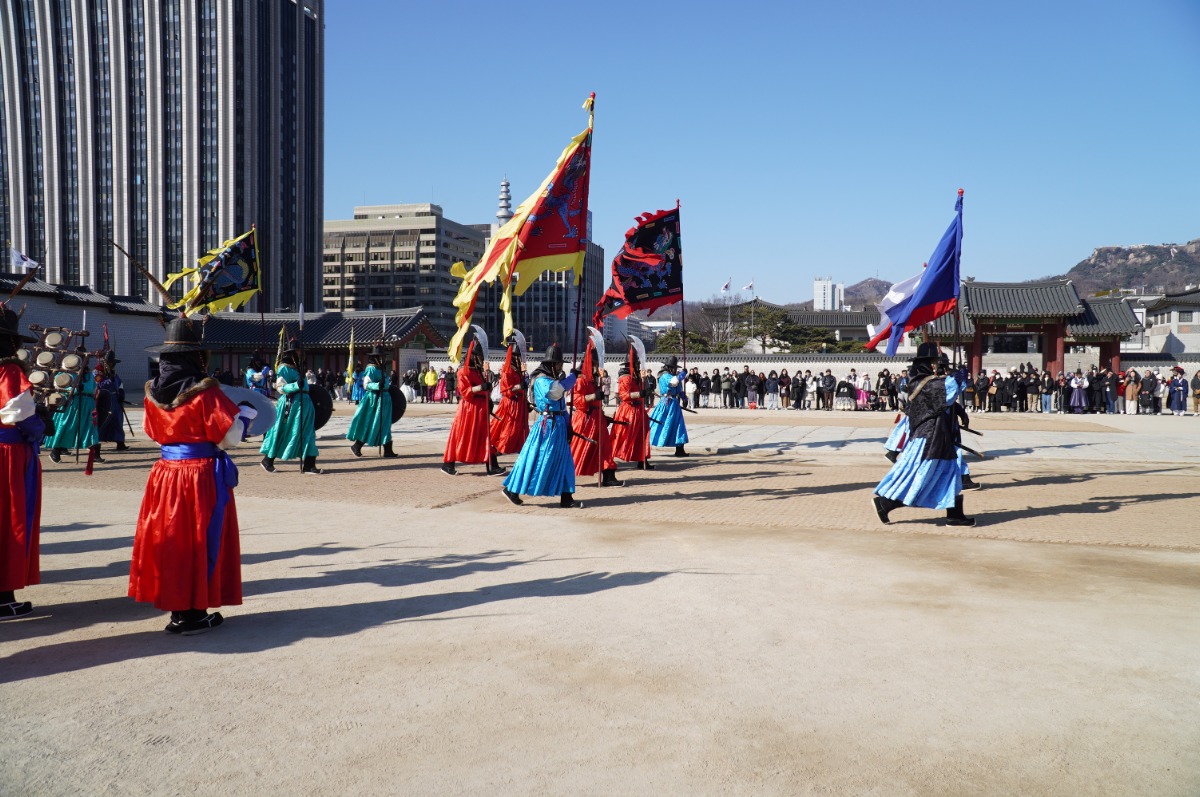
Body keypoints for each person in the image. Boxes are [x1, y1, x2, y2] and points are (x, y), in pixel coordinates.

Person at [130, 317, 252, 634]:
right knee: (201, 538)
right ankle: (195, 613)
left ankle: (178, 611)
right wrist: (245, 419)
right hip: (200, 476)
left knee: (172, 540)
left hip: (166, 474)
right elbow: (229, 436)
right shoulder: (205, 393)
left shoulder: (151, 395)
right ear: (197, 356)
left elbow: (152, 433)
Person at [873, 343, 974, 527]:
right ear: (927, 363)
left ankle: (955, 515)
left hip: (939, 436)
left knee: (949, 472)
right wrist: (960, 374)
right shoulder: (924, 382)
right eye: (934, 361)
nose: (936, 365)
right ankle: (885, 503)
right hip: (930, 438)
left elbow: (947, 397)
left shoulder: (925, 380)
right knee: (922, 476)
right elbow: (948, 391)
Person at [0, 306, 44, 619]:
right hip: (8, 457)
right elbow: (22, 416)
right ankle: (3, 597)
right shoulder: (9, 372)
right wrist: (42, 424)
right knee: (9, 521)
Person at [502, 344, 581, 508]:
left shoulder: (553, 380)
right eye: (559, 364)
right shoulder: (541, 380)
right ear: (552, 364)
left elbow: (562, 406)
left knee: (565, 460)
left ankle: (567, 497)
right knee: (535, 458)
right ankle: (512, 489)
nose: (560, 367)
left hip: (558, 425)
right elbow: (556, 392)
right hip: (547, 427)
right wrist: (572, 378)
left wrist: (568, 425)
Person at [442, 333, 504, 476]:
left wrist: (487, 392)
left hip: (480, 409)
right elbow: (465, 391)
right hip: (468, 409)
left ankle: (492, 466)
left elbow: (483, 388)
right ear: (475, 356)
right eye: (481, 357)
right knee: (460, 435)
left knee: (484, 436)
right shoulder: (463, 370)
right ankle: (448, 463)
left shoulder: (478, 371)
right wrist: (481, 388)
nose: (482, 360)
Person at [260, 342, 323, 474]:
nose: (301, 353)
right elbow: (280, 387)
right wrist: (295, 385)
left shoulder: (298, 367)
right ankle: (267, 460)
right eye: (299, 351)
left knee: (308, 432)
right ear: (293, 352)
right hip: (291, 403)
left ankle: (309, 464)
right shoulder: (284, 368)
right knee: (282, 431)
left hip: (304, 403)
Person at [570, 334, 621, 487]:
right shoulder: (580, 380)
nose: (597, 367)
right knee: (578, 450)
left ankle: (608, 476)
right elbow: (576, 400)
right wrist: (593, 396)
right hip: (585, 419)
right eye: (595, 364)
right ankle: (562, 473)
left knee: (605, 448)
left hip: (597, 418)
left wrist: (603, 416)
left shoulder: (594, 380)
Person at [45, 347, 100, 465]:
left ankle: (95, 454)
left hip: (88, 403)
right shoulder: (66, 372)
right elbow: (59, 385)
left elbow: (93, 386)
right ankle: (56, 451)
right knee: (67, 426)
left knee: (91, 427)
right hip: (73, 402)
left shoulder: (89, 373)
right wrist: (73, 388)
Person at [490, 333, 530, 470]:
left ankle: (525, 464)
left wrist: (527, 403)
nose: (521, 360)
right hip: (509, 407)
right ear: (514, 358)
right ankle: (492, 457)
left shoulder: (519, 372)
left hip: (519, 407)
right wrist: (519, 387)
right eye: (519, 357)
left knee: (522, 436)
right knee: (506, 435)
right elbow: (505, 390)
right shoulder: (507, 372)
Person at [347, 347, 397, 458]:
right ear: (376, 358)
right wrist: (377, 385)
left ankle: (388, 450)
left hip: (385, 399)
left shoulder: (382, 369)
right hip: (375, 399)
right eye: (381, 356)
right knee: (372, 423)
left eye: (384, 356)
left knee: (385, 424)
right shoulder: (371, 369)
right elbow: (366, 385)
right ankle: (357, 445)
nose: (384, 358)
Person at [611, 340, 652, 471]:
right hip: (628, 411)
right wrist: (639, 393)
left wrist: (643, 381)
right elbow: (624, 395)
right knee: (622, 436)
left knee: (643, 435)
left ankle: (642, 459)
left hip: (639, 410)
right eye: (637, 363)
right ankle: (609, 458)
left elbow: (644, 391)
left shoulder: (637, 377)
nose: (639, 365)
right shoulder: (626, 378)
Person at [650, 356, 690, 457]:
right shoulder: (665, 375)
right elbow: (673, 383)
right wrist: (683, 374)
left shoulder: (673, 375)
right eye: (674, 368)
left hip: (674, 404)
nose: (675, 370)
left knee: (679, 425)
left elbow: (679, 389)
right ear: (669, 367)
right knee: (659, 423)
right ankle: (647, 444)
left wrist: (684, 398)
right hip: (666, 403)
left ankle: (680, 449)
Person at [95, 349, 129, 452]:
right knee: (102, 422)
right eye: (111, 363)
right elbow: (98, 386)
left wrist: (121, 395)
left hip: (115, 401)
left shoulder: (113, 374)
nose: (113, 365)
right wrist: (109, 380)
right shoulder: (97, 374)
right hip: (103, 402)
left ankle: (120, 442)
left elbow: (120, 385)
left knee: (117, 421)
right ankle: (94, 443)